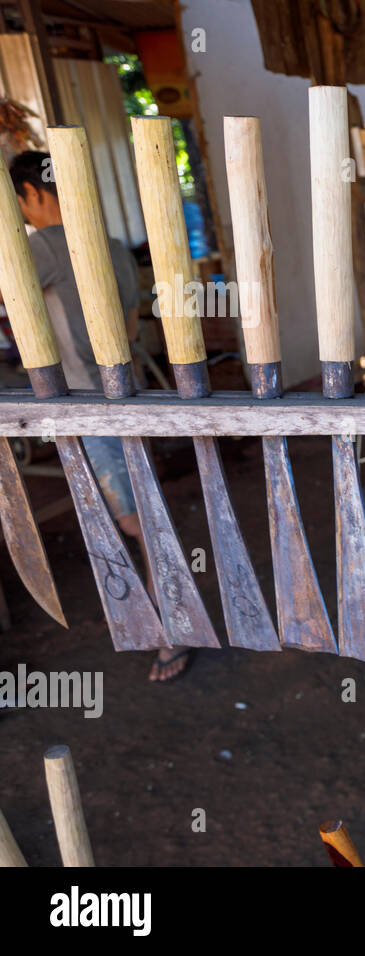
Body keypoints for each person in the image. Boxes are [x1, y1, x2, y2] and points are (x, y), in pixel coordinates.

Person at [6, 150, 188, 682]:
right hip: (123, 392)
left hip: (84, 401)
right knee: (141, 513)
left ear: (31, 194)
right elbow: (130, 327)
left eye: (18, 202)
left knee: (136, 521)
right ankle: (168, 619)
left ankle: (173, 630)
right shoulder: (111, 246)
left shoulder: (40, 247)